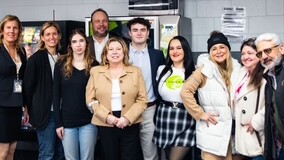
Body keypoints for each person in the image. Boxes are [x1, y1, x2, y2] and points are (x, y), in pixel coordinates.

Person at [181, 31, 241, 160]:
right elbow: (185, 92)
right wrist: (200, 114)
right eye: (214, 49)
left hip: (232, 134)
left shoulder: (237, 70)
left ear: (228, 49)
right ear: (210, 53)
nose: (218, 51)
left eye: (222, 47)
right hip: (212, 134)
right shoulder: (204, 70)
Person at [85, 37, 147, 160]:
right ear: (105, 54)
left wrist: (127, 118)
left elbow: (142, 100)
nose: (115, 52)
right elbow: (90, 100)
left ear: (124, 52)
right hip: (105, 122)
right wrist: (107, 117)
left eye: (118, 49)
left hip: (130, 122)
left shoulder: (136, 72)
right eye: (111, 49)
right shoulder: (96, 72)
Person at [53, 28, 99, 160]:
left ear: (86, 43)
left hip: (89, 121)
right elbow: (56, 96)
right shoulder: (61, 65)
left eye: (81, 41)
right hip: (67, 123)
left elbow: (99, 95)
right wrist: (58, 123)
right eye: (74, 42)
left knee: (87, 158)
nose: (78, 45)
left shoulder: (95, 66)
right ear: (70, 45)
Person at [23, 21, 65, 160]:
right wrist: (27, 108)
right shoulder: (36, 59)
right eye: (47, 34)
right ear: (42, 37)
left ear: (59, 36)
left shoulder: (64, 57)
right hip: (46, 115)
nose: (51, 37)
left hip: (64, 114)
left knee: (62, 154)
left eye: (54, 33)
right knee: (47, 154)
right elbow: (28, 87)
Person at [152, 35, 196, 160]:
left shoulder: (194, 71)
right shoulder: (161, 70)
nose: (175, 51)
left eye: (179, 48)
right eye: (171, 48)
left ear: (185, 50)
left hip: (186, 118)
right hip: (164, 117)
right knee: (167, 155)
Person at [127, 17, 165, 160]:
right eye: (135, 30)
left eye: (143, 30)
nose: (139, 33)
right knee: (129, 152)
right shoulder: (122, 54)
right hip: (127, 110)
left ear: (148, 33)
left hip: (150, 109)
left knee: (150, 153)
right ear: (129, 33)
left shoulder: (157, 55)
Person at [231, 38, 265, 160]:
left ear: (259, 54)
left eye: (250, 53)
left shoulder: (266, 76)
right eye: (243, 54)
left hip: (255, 133)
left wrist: (256, 122)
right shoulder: (241, 73)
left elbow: (271, 104)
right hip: (240, 135)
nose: (245, 57)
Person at [0, 14, 29, 160]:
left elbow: (22, 79)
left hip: (16, 105)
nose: (11, 31)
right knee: (2, 151)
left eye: (15, 28)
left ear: (19, 31)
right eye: (8, 28)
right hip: (2, 107)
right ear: (2, 31)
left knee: (12, 150)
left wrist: (25, 106)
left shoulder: (21, 51)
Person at [255, 33, 284, 160]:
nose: (264, 57)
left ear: (281, 49)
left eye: (268, 50)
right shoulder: (269, 77)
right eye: (260, 53)